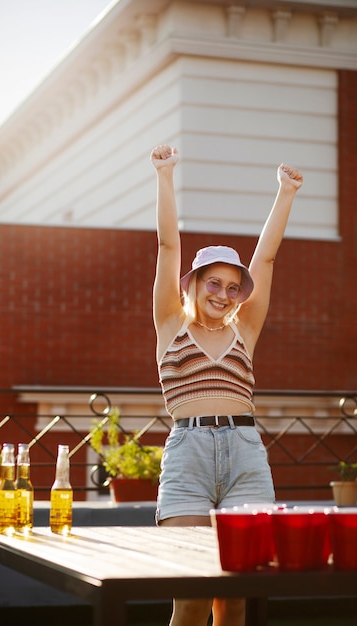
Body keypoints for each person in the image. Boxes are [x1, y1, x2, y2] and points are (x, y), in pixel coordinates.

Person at [150, 144, 303, 626]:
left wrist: (286, 192)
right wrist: (165, 174)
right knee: (191, 595)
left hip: (243, 454)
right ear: (193, 284)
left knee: (235, 597)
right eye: (213, 283)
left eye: (233, 286)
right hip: (189, 456)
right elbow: (167, 247)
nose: (224, 293)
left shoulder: (245, 330)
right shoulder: (169, 324)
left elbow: (269, 258)